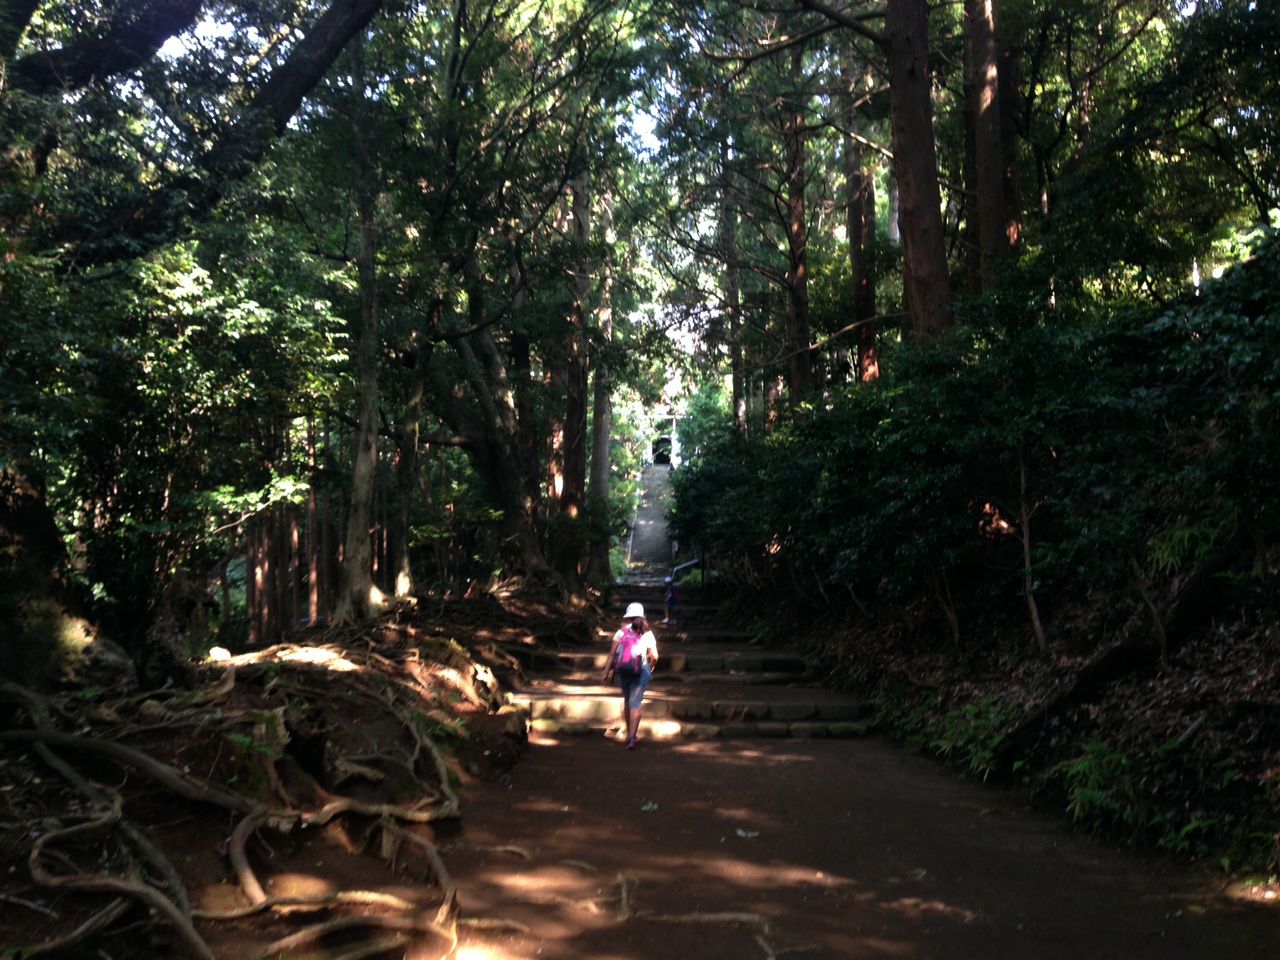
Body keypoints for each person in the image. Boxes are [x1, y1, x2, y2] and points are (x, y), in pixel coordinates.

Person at [601, 602, 658, 750]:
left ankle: (628, 733)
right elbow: (655, 656)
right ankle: (632, 737)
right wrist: (651, 666)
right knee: (636, 703)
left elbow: (612, 654)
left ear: (628, 617)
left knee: (627, 701)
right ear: (642, 616)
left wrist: (606, 673)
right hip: (641, 670)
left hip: (624, 670)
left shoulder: (621, 632)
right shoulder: (647, 633)